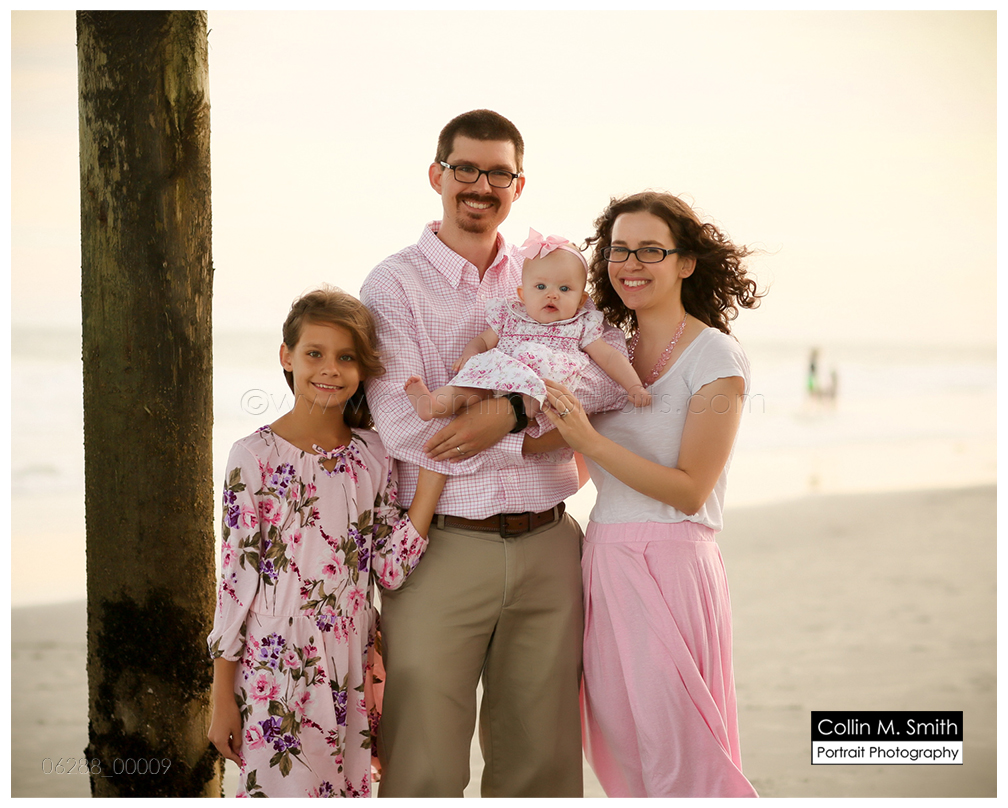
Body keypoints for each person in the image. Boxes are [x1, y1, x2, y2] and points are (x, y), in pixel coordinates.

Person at [359, 109, 627, 798]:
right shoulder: (393, 285)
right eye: (465, 169)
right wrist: (536, 426)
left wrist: (508, 412)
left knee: (541, 769)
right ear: (436, 175)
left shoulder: (548, 273)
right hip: (441, 551)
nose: (481, 185)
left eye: (498, 173)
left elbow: (602, 380)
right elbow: (407, 429)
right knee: (422, 769)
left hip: (549, 546)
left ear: (518, 184)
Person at [530, 191, 762, 797]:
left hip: (675, 561)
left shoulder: (715, 356)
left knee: (680, 747)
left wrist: (588, 439)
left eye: (650, 250)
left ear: (685, 262)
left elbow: (690, 491)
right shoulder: (609, 354)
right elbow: (572, 464)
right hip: (604, 560)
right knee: (625, 748)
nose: (630, 264)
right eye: (619, 250)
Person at [206, 287, 447, 798]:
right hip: (275, 664)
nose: (330, 369)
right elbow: (234, 582)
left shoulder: (375, 454)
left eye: (346, 358)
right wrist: (221, 694)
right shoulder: (253, 456)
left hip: (352, 664)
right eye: (314, 353)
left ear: (363, 369)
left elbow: (390, 568)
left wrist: (434, 473)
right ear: (286, 357)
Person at [404, 227, 650, 421]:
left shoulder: (580, 325)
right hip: (501, 375)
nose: (552, 295)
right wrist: (471, 354)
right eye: (541, 287)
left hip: (542, 387)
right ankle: (433, 404)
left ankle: (525, 409)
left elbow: (610, 358)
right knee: (467, 386)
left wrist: (634, 386)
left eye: (564, 289)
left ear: (581, 300)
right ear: (522, 295)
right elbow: (483, 341)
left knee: (540, 394)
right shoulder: (511, 316)